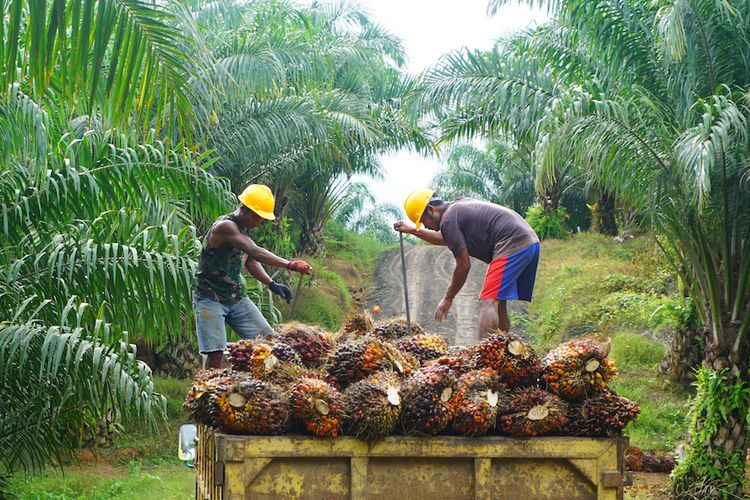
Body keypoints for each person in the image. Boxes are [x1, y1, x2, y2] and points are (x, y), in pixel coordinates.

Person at [193, 184, 312, 368]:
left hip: (235, 297)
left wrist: (271, 284)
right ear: (243, 209)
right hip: (210, 297)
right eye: (257, 217)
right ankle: (208, 389)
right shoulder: (226, 226)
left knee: (268, 340)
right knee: (215, 352)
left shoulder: (243, 230)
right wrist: (290, 264)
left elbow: (249, 260)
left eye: (262, 219)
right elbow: (254, 251)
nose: (259, 222)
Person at [394, 188, 539, 336]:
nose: (424, 226)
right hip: (529, 242)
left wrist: (448, 298)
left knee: (487, 301)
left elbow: (464, 265)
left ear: (431, 209)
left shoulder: (449, 219)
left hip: (512, 243)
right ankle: (505, 351)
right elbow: (447, 238)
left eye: (423, 220)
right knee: (498, 302)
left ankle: (485, 355)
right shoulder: (456, 209)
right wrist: (412, 230)